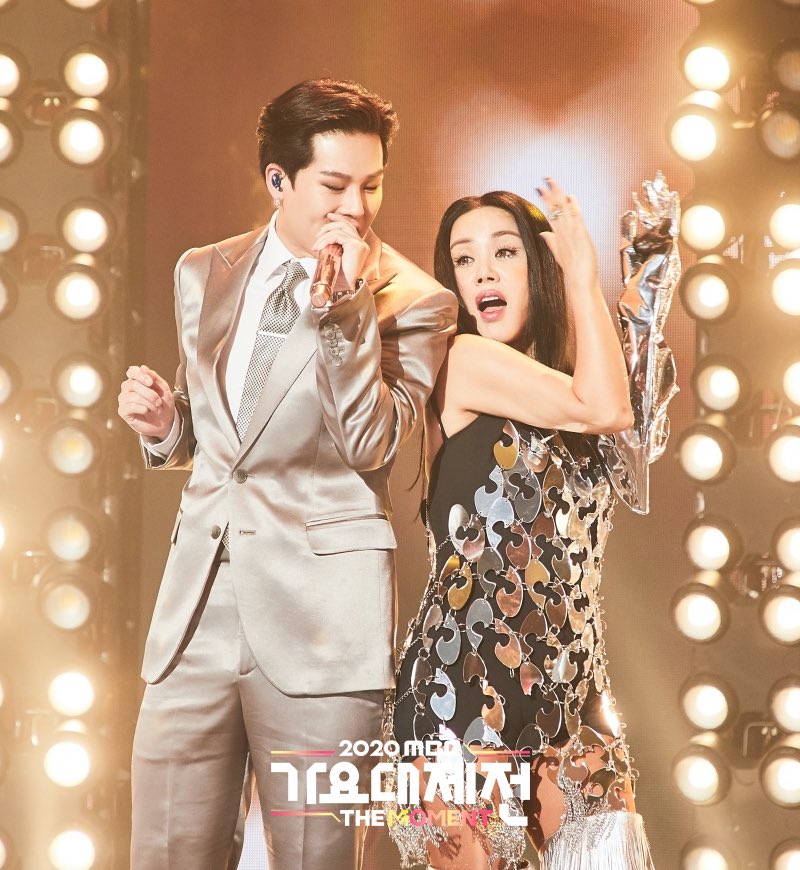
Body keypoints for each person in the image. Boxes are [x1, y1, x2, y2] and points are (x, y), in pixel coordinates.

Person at [117, 78, 457, 870]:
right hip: (196, 609)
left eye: (371, 185)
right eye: (335, 185)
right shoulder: (204, 270)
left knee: (315, 856)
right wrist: (169, 429)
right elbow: (228, 434)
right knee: (164, 850)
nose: (357, 208)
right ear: (278, 180)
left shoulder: (414, 301)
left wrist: (345, 311)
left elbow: (371, 442)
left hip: (322, 620)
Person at [381, 178, 678, 869]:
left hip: (576, 695)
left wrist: (640, 281)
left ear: (536, 265)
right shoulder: (462, 361)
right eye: (464, 259)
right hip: (462, 693)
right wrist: (584, 276)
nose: (483, 271)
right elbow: (605, 408)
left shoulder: (572, 386)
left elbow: (629, 429)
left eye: (505, 252)